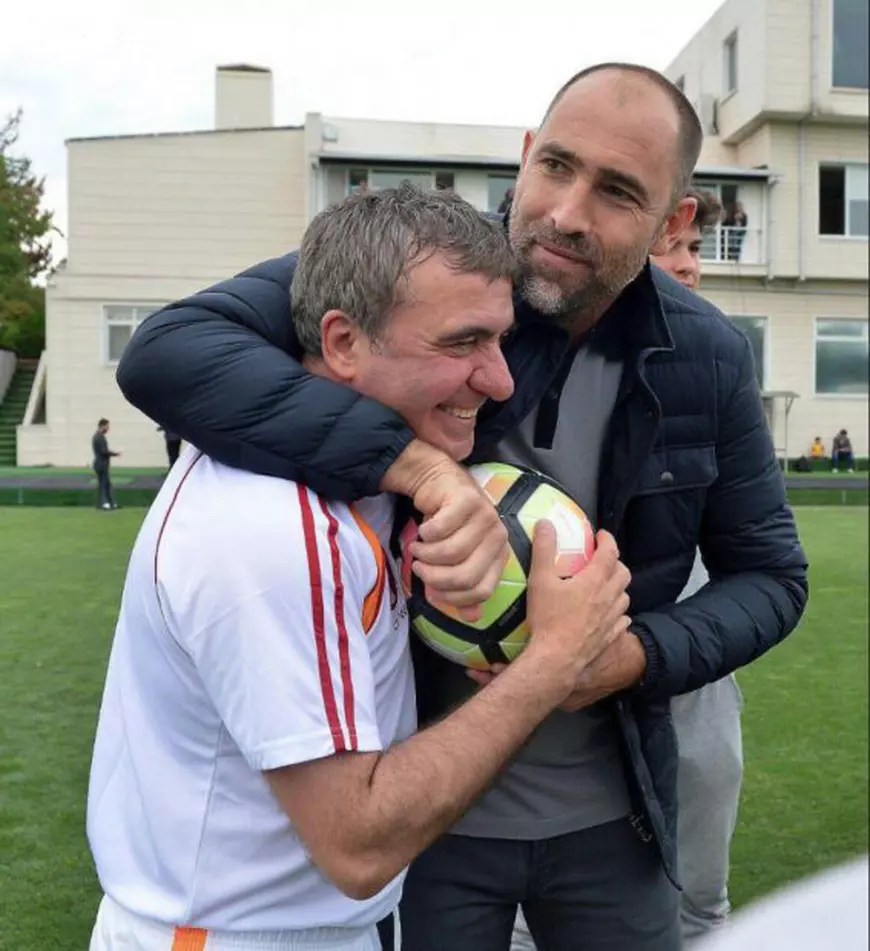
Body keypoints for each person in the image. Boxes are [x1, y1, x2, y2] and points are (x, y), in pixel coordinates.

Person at [115, 62, 809, 951]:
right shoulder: (425, 271)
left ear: (675, 220)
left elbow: (772, 576)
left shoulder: (706, 355)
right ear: (523, 158)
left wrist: (624, 657)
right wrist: (420, 470)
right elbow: (170, 351)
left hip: (614, 816)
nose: (563, 212)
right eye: (554, 166)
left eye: (616, 191)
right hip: (431, 818)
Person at [87, 185, 633, 951]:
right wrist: (553, 660)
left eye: (501, 340)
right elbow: (358, 843)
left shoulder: (359, 468)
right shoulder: (272, 529)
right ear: (342, 343)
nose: (501, 380)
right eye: (461, 342)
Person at [92, 417, 120, 510]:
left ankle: (111, 503)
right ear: (102, 426)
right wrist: (115, 454)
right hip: (101, 464)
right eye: (107, 426)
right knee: (103, 484)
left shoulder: (99, 436)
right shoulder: (98, 437)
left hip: (102, 464)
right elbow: (103, 452)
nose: (108, 429)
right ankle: (104, 503)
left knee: (106, 484)